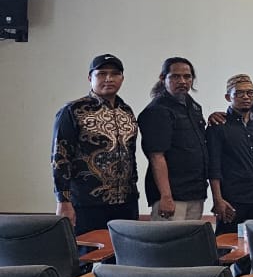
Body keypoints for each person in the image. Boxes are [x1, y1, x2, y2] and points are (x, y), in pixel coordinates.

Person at [51, 54, 140, 234]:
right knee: (89, 250)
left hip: (126, 201)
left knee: (125, 250)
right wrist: (63, 200)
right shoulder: (73, 110)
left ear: (122, 78)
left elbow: (131, 155)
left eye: (115, 74)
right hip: (86, 202)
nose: (109, 78)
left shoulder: (126, 111)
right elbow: (60, 157)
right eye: (102, 74)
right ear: (90, 77)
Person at [138, 57, 208, 221]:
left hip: (195, 192)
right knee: (169, 238)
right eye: (175, 76)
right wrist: (166, 196)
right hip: (172, 196)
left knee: (191, 238)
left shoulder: (192, 106)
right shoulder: (157, 110)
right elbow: (156, 156)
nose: (182, 81)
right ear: (163, 78)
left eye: (187, 76)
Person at [207, 74, 253, 235]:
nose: (246, 97)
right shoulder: (218, 125)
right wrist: (217, 199)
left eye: (250, 93)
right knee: (226, 242)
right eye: (239, 93)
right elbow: (213, 166)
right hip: (232, 198)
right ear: (228, 97)